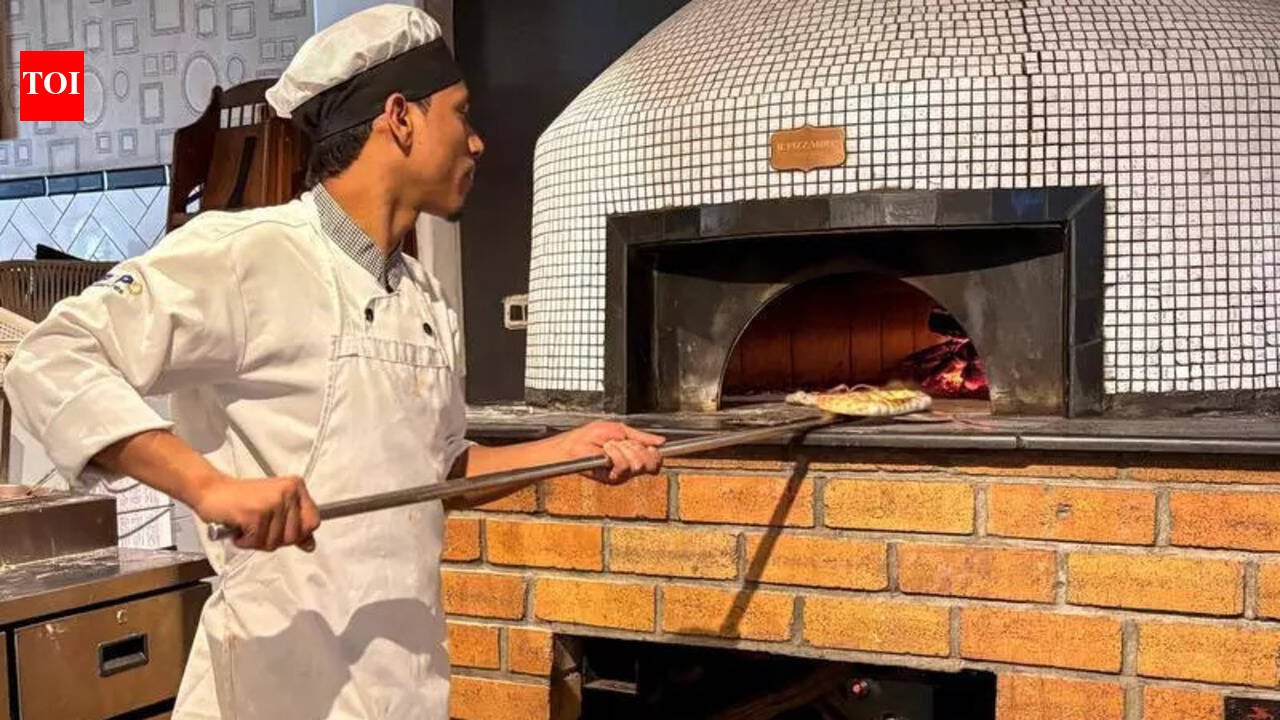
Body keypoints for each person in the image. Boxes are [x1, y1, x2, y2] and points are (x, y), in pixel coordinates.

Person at [1, 5, 663, 719]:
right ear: (400, 117)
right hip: (277, 691)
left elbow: (435, 468)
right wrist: (209, 487)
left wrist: (567, 450)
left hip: (403, 684)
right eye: (461, 113)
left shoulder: (426, 298)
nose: (476, 140)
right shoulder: (248, 254)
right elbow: (50, 357)